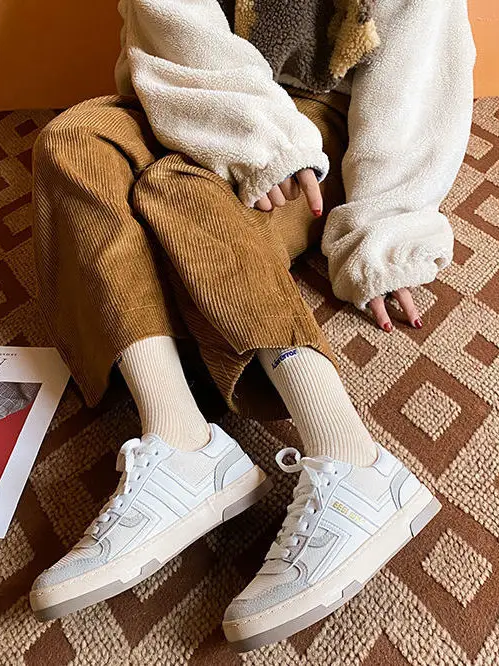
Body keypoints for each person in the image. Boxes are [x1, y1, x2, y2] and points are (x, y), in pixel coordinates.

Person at [28, 0, 475, 651]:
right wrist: (250, 135)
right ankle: (180, 442)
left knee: (178, 187)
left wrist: (386, 230)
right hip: (189, 86)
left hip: (318, 121)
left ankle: (353, 457)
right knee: (72, 142)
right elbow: (169, 19)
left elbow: (419, 67)